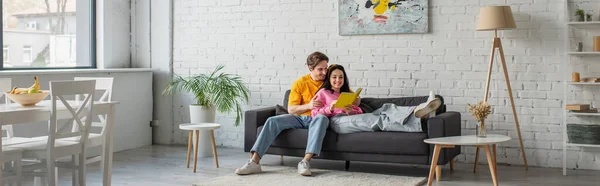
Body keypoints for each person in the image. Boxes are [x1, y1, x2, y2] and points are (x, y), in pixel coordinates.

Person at [235, 51, 330, 176]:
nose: (324, 72)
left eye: (326, 69)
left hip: (318, 118)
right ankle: (254, 162)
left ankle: (305, 162)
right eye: (320, 69)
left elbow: (349, 94)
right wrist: (309, 106)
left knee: (321, 118)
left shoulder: (331, 80)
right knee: (272, 121)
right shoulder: (300, 83)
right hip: (299, 119)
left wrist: (355, 100)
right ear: (310, 68)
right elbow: (291, 109)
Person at [311, 64, 442, 134]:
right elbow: (314, 114)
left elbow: (358, 113)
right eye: (334, 77)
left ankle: (419, 109)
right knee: (379, 120)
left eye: (341, 77)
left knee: (385, 109)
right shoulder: (323, 92)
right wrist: (330, 108)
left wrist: (351, 110)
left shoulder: (346, 94)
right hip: (336, 122)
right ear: (329, 78)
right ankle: (421, 120)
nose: (338, 80)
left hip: (348, 117)